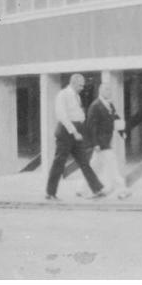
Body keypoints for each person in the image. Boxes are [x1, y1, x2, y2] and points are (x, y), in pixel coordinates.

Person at [45, 73, 105, 201]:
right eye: (80, 85)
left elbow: (78, 114)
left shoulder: (76, 96)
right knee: (59, 163)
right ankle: (50, 193)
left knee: (84, 162)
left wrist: (81, 127)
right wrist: (74, 132)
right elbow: (62, 115)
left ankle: (97, 189)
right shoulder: (63, 94)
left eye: (83, 85)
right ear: (73, 82)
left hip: (76, 130)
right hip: (66, 131)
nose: (82, 88)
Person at [86, 82, 130, 199]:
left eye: (109, 90)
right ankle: (122, 189)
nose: (108, 92)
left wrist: (122, 132)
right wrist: (95, 143)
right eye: (106, 90)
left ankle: (82, 189)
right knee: (112, 164)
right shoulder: (95, 105)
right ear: (100, 91)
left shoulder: (109, 105)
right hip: (101, 143)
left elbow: (116, 119)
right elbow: (91, 126)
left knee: (94, 166)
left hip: (106, 141)